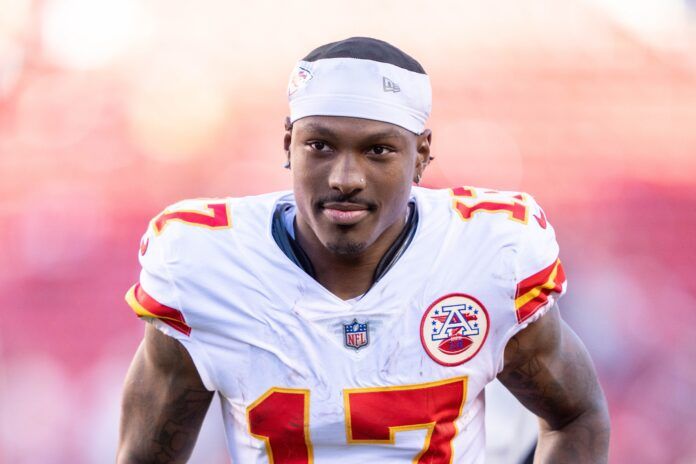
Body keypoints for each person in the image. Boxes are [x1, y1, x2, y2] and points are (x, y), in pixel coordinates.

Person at [117, 37, 610, 463]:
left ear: (421, 157)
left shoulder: (491, 254)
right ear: (288, 144)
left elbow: (576, 418)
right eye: (320, 146)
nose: (345, 179)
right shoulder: (203, 266)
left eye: (377, 150)